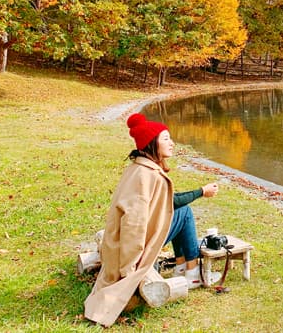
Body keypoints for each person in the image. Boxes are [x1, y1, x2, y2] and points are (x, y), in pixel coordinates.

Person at [84, 113, 218, 327]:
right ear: (151, 143)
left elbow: (167, 202)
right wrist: (129, 266)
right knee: (184, 213)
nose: (172, 143)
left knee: (182, 211)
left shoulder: (139, 168)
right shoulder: (147, 175)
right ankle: (191, 270)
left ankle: (184, 267)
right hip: (131, 247)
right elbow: (133, 223)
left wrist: (200, 191)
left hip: (124, 242)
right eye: (166, 138)